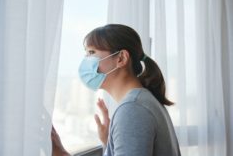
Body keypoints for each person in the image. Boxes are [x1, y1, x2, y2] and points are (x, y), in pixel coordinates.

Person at [52, 24, 181, 156]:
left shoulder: (133, 109)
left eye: (91, 52)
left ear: (121, 58)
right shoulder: (142, 100)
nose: (86, 60)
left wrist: (61, 154)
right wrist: (110, 143)